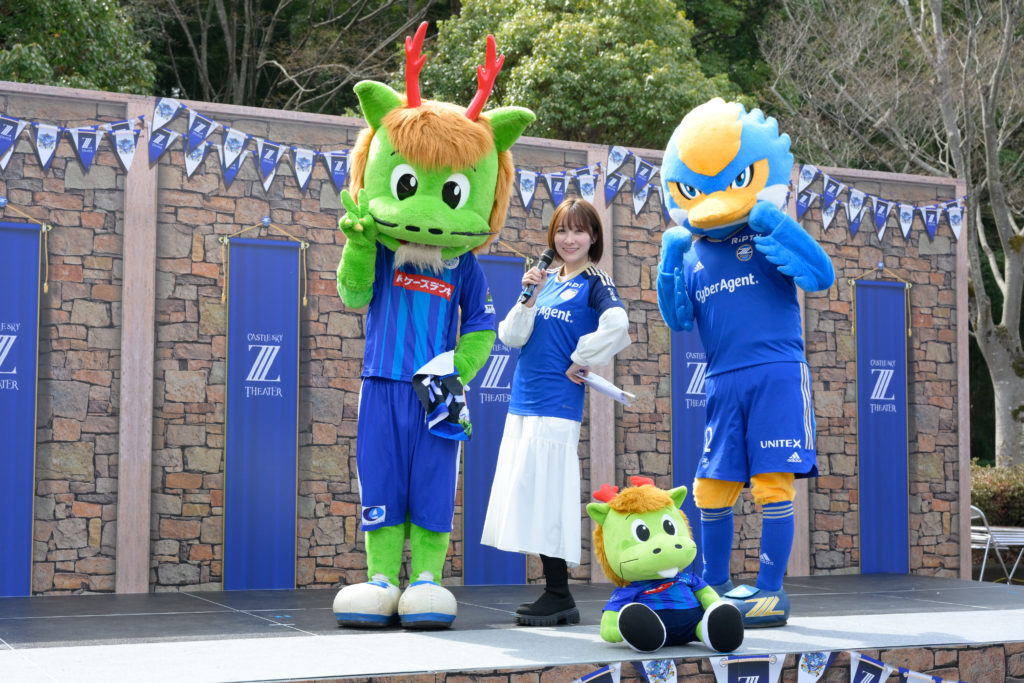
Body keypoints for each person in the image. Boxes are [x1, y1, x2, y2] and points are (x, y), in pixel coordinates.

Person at [481, 198, 632, 627]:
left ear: (593, 236)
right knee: (529, 493)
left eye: (579, 230)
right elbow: (511, 336)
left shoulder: (596, 281)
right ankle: (554, 590)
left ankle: (560, 593)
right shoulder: (543, 279)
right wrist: (528, 297)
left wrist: (582, 357)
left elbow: (618, 325)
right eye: (562, 230)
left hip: (557, 403)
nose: (569, 239)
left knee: (549, 494)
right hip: (524, 399)